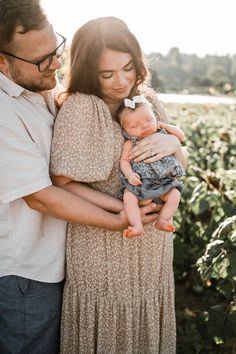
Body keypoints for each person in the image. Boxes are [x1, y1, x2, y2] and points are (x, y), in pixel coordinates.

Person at [0, 2, 159, 353]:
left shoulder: (41, 92)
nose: (57, 63)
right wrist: (119, 218)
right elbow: (41, 194)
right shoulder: (3, 111)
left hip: (57, 264)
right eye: (43, 59)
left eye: (56, 49)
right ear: (2, 61)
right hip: (25, 273)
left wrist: (164, 137)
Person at [50, 16, 187, 353]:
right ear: (86, 70)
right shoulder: (82, 107)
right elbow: (61, 182)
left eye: (127, 68)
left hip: (151, 242)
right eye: (107, 74)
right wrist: (122, 210)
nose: (122, 81)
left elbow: (177, 166)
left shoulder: (148, 100)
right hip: (102, 242)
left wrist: (177, 146)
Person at [118, 95, 186, 237]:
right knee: (129, 197)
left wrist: (165, 127)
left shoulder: (162, 133)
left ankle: (163, 220)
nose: (143, 127)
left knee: (175, 194)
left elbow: (181, 136)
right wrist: (130, 175)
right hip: (141, 183)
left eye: (148, 120)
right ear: (125, 131)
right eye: (134, 126)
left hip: (163, 181)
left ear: (155, 118)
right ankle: (137, 225)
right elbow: (124, 161)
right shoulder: (130, 143)